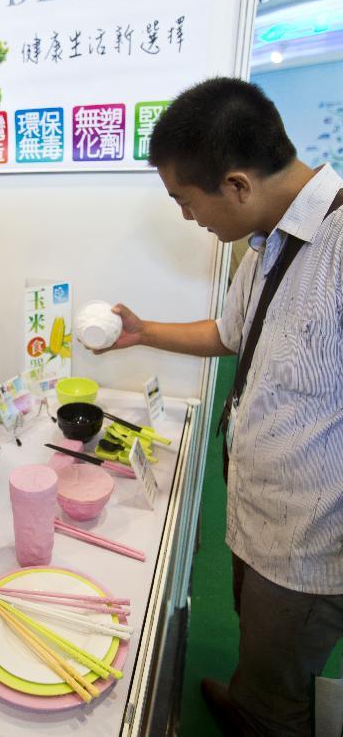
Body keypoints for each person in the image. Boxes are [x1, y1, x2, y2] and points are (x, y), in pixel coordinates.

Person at [101, 78, 343, 737]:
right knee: (262, 652)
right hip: (259, 517)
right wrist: (143, 330)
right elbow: (232, 335)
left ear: (235, 184)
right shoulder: (267, 242)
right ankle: (249, 699)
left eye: (185, 200)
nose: (188, 218)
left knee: (285, 686)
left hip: (311, 543)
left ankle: (265, 714)